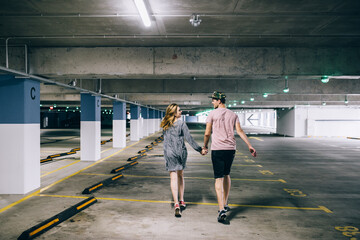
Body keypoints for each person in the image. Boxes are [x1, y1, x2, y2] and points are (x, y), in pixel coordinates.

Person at [203, 91, 257, 223]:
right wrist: (249, 145)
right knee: (226, 174)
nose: (212, 102)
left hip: (217, 149)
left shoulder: (212, 114)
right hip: (230, 149)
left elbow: (207, 133)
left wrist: (204, 146)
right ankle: (225, 203)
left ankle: (221, 209)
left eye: (214, 100)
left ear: (219, 101)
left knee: (218, 178)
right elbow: (239, 131)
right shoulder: (233, 115)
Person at [160, 103, 206, 217]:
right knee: (180, 175)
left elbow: (165, 141)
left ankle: (176, 204)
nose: (181, 112)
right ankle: (181, 200)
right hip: (180, 152)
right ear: (174, 113)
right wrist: (200, 149)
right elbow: (189, 139)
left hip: (169, 153)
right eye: (179, 110)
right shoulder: (181, 123)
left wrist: (166, 154)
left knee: (173, 177)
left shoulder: (165, 124)